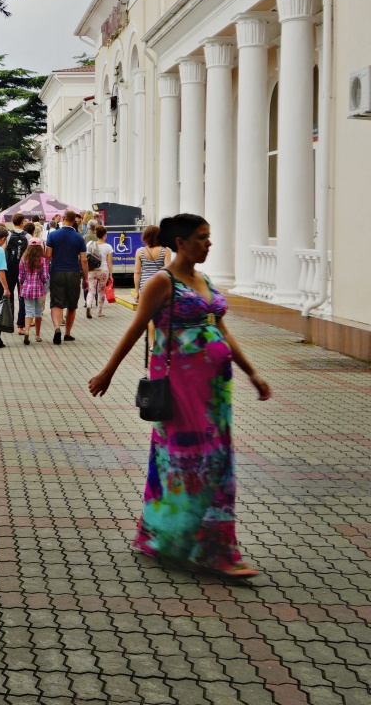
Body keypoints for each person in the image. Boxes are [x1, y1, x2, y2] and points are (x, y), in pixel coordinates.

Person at [88, 214, 273, 579]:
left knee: (214, 458)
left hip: (216, 388)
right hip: (180, 385)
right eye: (202, 238)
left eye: (209, 237)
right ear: (181, 241)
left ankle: (166, 535)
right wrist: (107, 371)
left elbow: (220, 329)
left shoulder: (203, 279)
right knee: (194, 462)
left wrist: (252, 372)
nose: (209, 244)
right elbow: (136, 327)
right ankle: (212, 549)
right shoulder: (163, 281)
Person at [45, 210, 89, 345]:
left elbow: (48, 256)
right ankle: (68, 333)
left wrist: (46, 271)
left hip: (57, 271)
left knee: (56, 303)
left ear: (63, 219)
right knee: (71, 305)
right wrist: (86, 278)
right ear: (74, 221)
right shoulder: (79, 237)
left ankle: (57, 328)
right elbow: (83, 260)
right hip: (73, 273)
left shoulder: (53, 235)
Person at [17, 238, 48, 345]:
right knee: (38, 312)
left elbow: (20, 277)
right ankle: (37, 335)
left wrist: (21, 287)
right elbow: (45, 276)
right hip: (39, 288)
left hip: (26, 288)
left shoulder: (23, 259)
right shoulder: (43, 260)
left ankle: (27, 332)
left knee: (28, 311)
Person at [4, 213, 31, 331]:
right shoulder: (28, 236)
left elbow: (3, 249)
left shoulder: (8, 234)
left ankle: (8, 323)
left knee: (8, 295)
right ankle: (21, 326)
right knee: (23, 297)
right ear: (22, 222)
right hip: (24, 270)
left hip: (10, 269)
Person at [85, 225, 115, 319]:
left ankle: (89, 305)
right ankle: (99, 312)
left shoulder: (90, 244)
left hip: (92, 270)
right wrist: (111, 275)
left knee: (91, 290)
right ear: (105, 235)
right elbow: (109, 262)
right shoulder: (108, 247)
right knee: (101, 291)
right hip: (103, 271)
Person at [135, 225, 168, 298]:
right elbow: (168, 271)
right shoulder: (165, 251)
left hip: (145, 285)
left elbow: (137, 272)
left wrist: (137, 291)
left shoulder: (139, 251)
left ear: (145, 237)